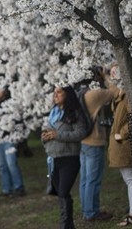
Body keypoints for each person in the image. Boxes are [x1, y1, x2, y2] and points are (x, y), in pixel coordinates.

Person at [41, 86, 87, 229]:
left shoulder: (74, 113)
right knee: (60, 194)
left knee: (63, 191)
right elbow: (47, 133)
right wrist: (44, 137)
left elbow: (81, 133)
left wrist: (56, 135)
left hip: (69, 158)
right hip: (53, 159)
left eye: (59, 92)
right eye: (54, 92)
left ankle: (65, 226)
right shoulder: (52, 113)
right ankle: (67, 225)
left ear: (68, 94)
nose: (55, 94)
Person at [77, 66, 117, 222]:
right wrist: (106, 76)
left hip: (83, 140)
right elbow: (115, 91)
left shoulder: (80, 93)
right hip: (94, 140)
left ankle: (86, 210)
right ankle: (92, 213)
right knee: (93, 179)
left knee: (85, 179)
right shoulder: (94, 94)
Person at [108, 65, 132, 227]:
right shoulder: (120, 93)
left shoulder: (127, 95)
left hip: (125, 143)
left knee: (131, 179)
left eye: (116, 70)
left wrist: (123, 133)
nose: (112, 73)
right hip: (121, 143)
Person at [0, 85, 25, 197]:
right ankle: (7, 189)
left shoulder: (10, 102)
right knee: (1, 164)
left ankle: (19, 187)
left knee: (11, 162)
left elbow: (15, 118)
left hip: (10, 136)